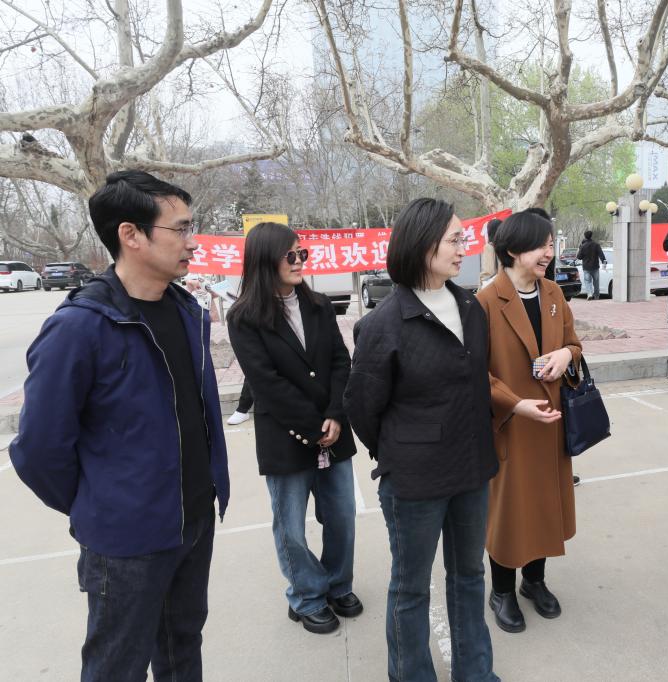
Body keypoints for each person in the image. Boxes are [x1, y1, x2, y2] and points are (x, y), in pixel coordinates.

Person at [10, 170, 230, 681]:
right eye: (180, 228)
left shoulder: (186, 310)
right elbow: (38, 450)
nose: (192, 242)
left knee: (182, 649)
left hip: (194, 520)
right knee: (116, 666)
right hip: (126, 542)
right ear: (131, 235)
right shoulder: (79, 327)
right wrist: (103, 503)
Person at [344, 198, 499, 682]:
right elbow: (362, 407)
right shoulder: (384, 324)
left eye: (462, 238)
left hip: (471, 468)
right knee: (411, 589)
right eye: (454, 239)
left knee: (469, 576)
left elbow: (477, 385)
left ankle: (475, 672)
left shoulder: (470, 307)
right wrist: (401, 450)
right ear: (422, 243)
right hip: (414, 481)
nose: (463, 248)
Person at [227, 222, 362, 635]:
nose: (300, 261)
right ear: (266, 260)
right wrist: (313, 425)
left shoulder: (318, 304)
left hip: (333, 428)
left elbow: (340, 360)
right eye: (291, 255)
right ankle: (306, 596)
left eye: (302, 253)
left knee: (342, 515)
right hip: (286, 435)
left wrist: (335, 414)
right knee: (291, 526)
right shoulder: (244, 317)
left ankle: (338, 584)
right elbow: (266, 383)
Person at [476, 210, 583, 634]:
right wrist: (515, 404)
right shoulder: (486, 300)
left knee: (543, 505)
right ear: (514, 249)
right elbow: (474, 373)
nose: (548, 253)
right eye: (541, 246)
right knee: (508, 510)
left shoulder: (553, 292)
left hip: (551, 423)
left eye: (551, 245)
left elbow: (574, 345)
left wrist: (566, 355)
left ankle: (533, 581)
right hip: (510, 425)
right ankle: (502, 589)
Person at [577, 229, 606, 300]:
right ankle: (596, 296)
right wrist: (604, 261)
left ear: (585, 236)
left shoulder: (583, 246)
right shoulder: (596, 245)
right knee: (596, 282)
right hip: (595, 266)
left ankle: (589, 294)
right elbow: (601, 254)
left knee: (587, 281)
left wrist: (580, 248)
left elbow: (579, 257)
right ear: (591, 236)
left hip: (586, 267)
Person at [479, 218, 503, 287]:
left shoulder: (489, 247)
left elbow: (489, 271)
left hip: (495, 286)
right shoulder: (507, 246)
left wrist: (481, 283)